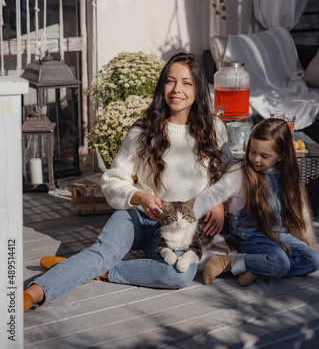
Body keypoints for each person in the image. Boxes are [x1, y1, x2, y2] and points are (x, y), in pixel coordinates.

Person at [24, 52, 232, 312]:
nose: (177, 89)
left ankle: (94, 270)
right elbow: (112, 181)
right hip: (137, 216)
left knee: (179, 275)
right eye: (170, 81)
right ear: (162, 86)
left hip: (177, 229)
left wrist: (220, 203)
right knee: (101, 252)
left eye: (186, 83)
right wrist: (141, 197)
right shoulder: (143, 131)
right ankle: (31, 295)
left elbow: (228, 172)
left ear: (198, 89)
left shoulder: (215, 128)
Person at [194, 118, 319, 287]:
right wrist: (189, 213)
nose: (256, 159)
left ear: (281, 156)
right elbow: (215, 194)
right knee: (279, 262)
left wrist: (309, 241)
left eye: (264, 156)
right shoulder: (241, 172)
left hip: (277, 232)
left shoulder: (289, 178)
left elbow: (303, 211)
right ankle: (227, 263)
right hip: (248, 233)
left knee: (314, 260)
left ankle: (255, 270)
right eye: (252, 151)